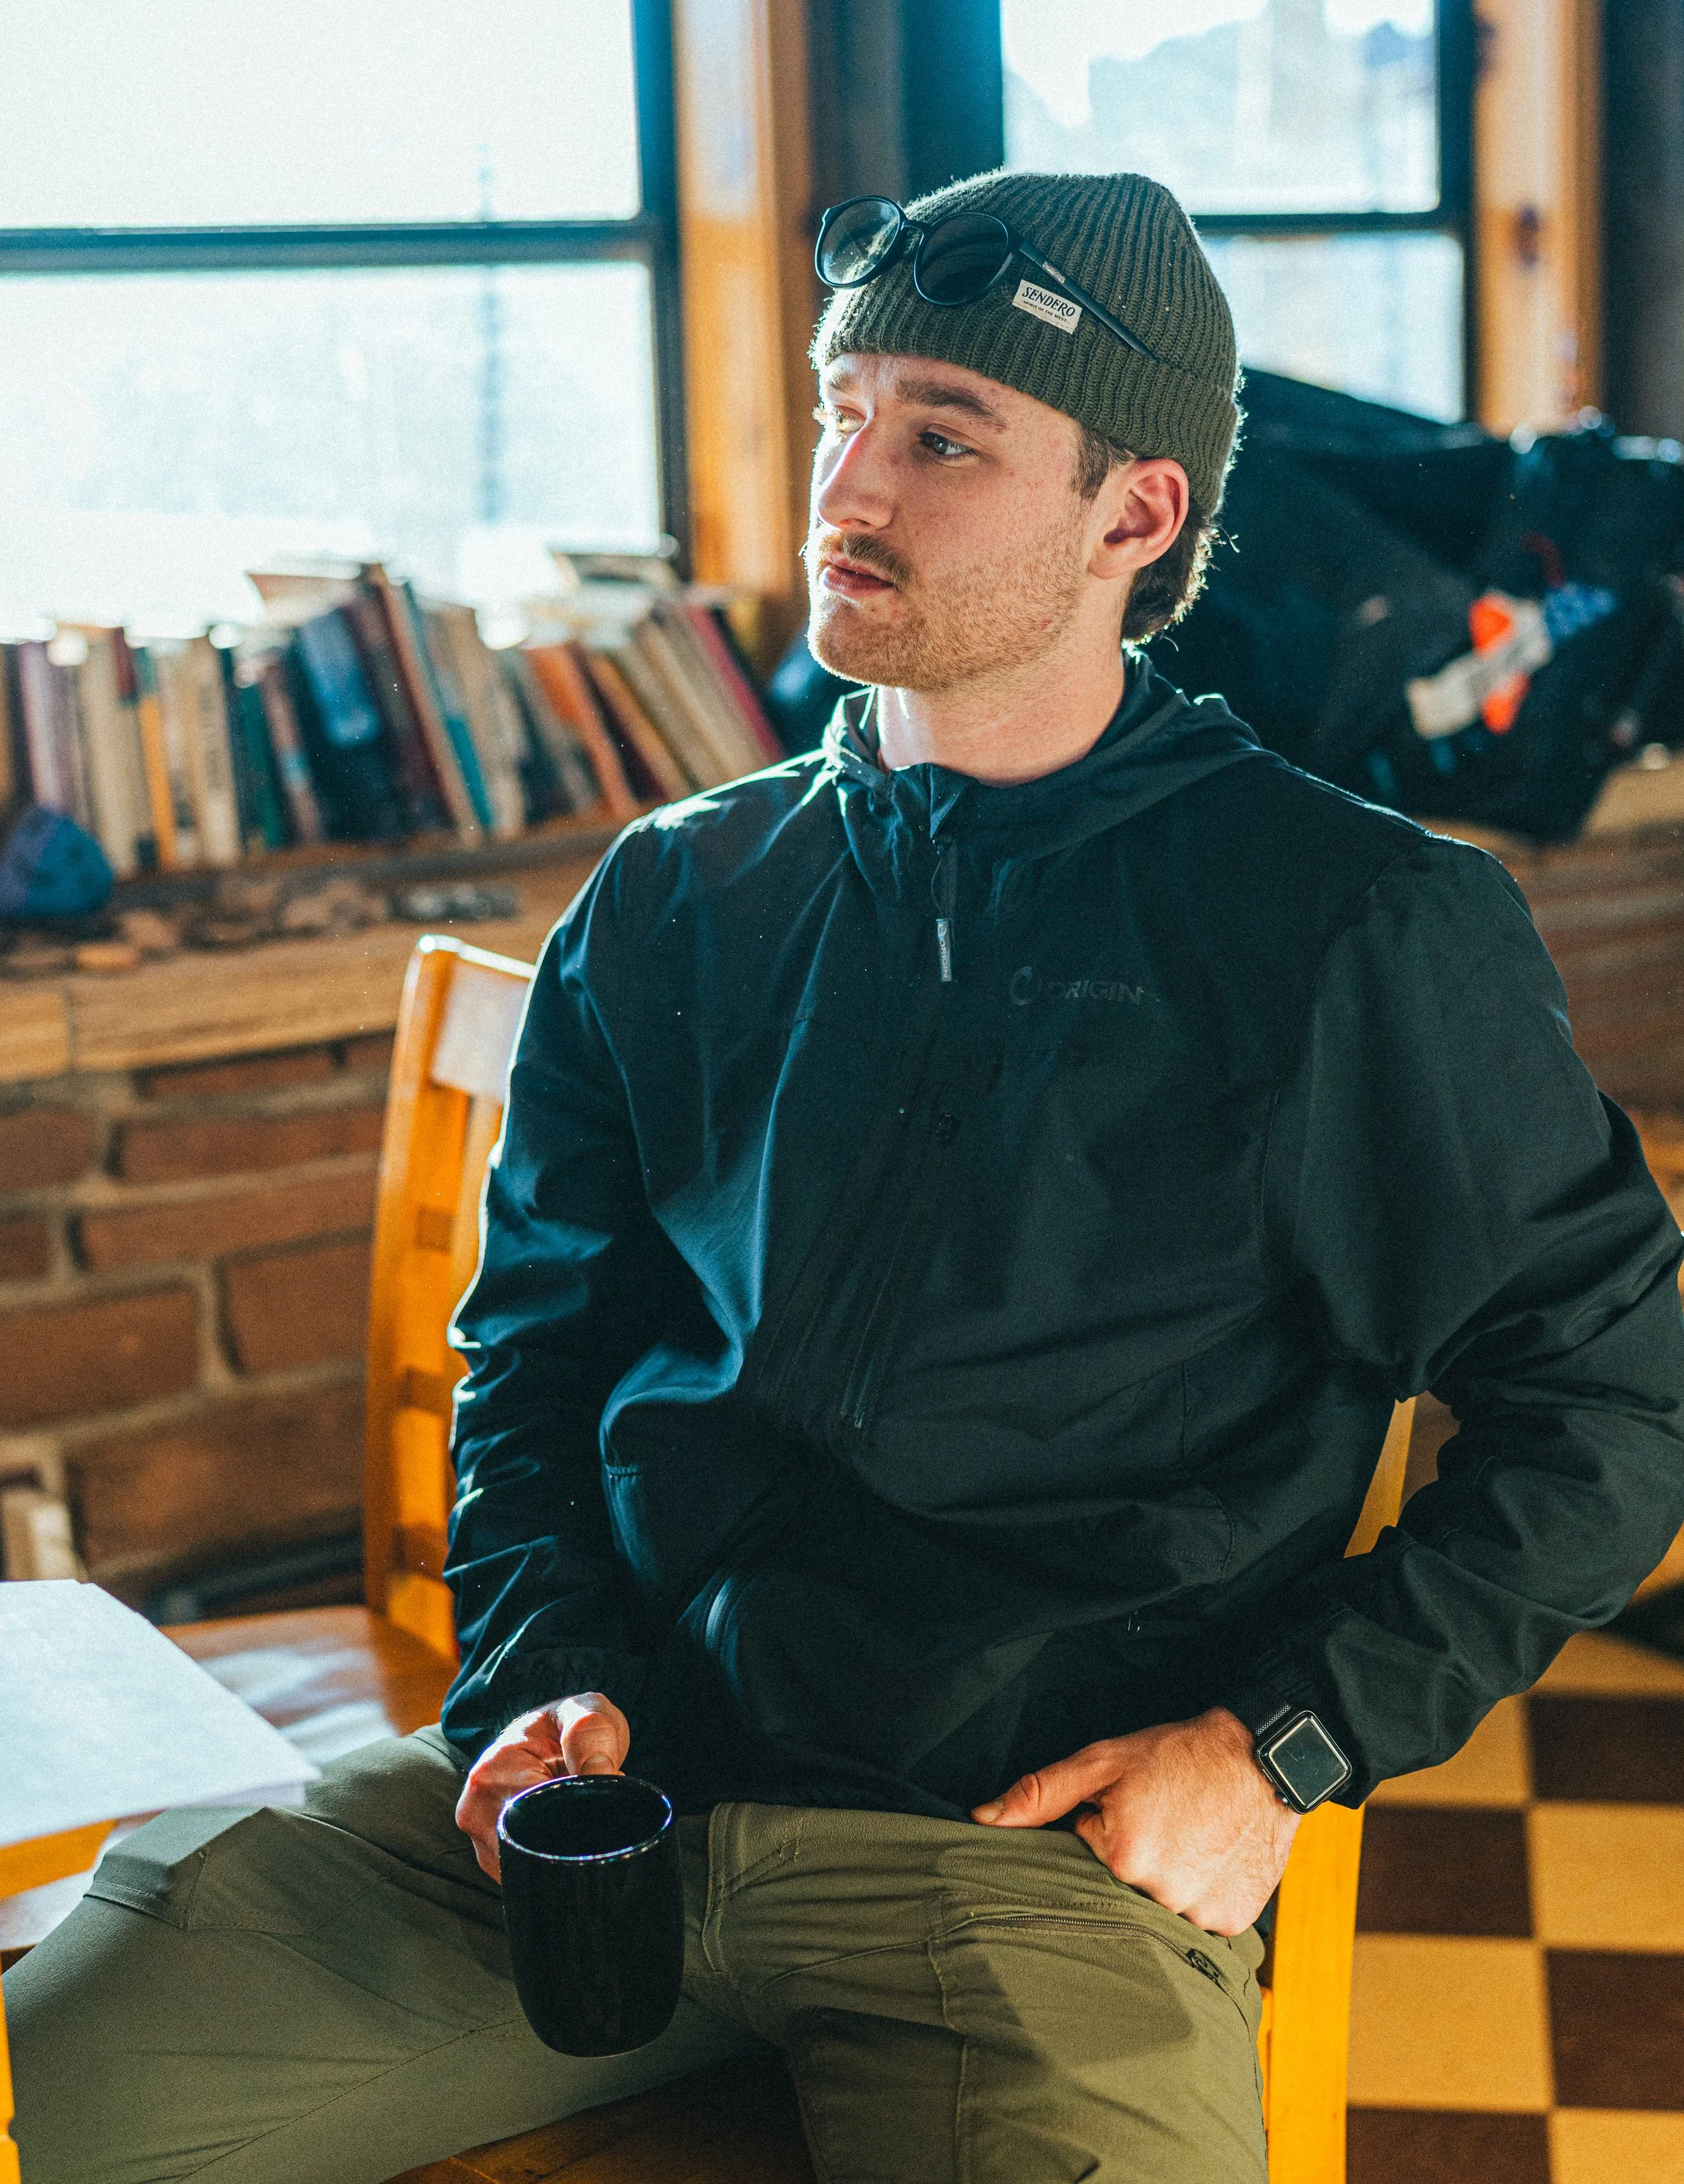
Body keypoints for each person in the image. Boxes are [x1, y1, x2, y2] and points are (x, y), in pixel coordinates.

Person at [9, 166, 1684, 2184]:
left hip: (1026, 1869)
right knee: (55, 2084)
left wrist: (1276, 1747)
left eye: (942, 439)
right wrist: (542, 1669)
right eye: (842, 412)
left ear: (1135, 516)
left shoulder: (1352, 933)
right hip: (608, 1811)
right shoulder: (676, 894)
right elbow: (537, 1352)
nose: (846, 491)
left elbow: (1617, 1408)